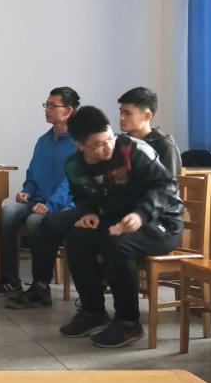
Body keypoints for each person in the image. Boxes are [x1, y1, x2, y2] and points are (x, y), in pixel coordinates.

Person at [59, 106, 183, 347]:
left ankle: (128, 322)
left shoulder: (134, 150)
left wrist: (141, 214)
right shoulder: (74, 165)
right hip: (116, 222)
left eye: (109, 139)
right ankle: (93, 312)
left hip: (162, 222)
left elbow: (167, 186)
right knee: (77, 239)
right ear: (80, 145)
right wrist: (90, 213)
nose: (107, 148)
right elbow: (81, 196)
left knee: (117, 243)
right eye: (98, 145)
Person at [0, 87, 79, 299]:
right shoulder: (43, 140)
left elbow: (71, 182)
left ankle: (40, 285)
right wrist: (26, 192)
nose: (47, 109)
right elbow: (33, 172)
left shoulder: (78, 143)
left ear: (68, 111)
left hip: (64, 206)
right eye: (46, 105)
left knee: (36, 221)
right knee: (8, 212)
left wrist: (50, 205)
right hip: (38, 201)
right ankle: (10, 280)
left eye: (52, 105)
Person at [117, 87, 182, 176]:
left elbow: (169, 183)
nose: (121, 118)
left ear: (147, 116)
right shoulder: (121, 143)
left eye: (127, 113)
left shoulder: (165, 146)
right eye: (121, 112)